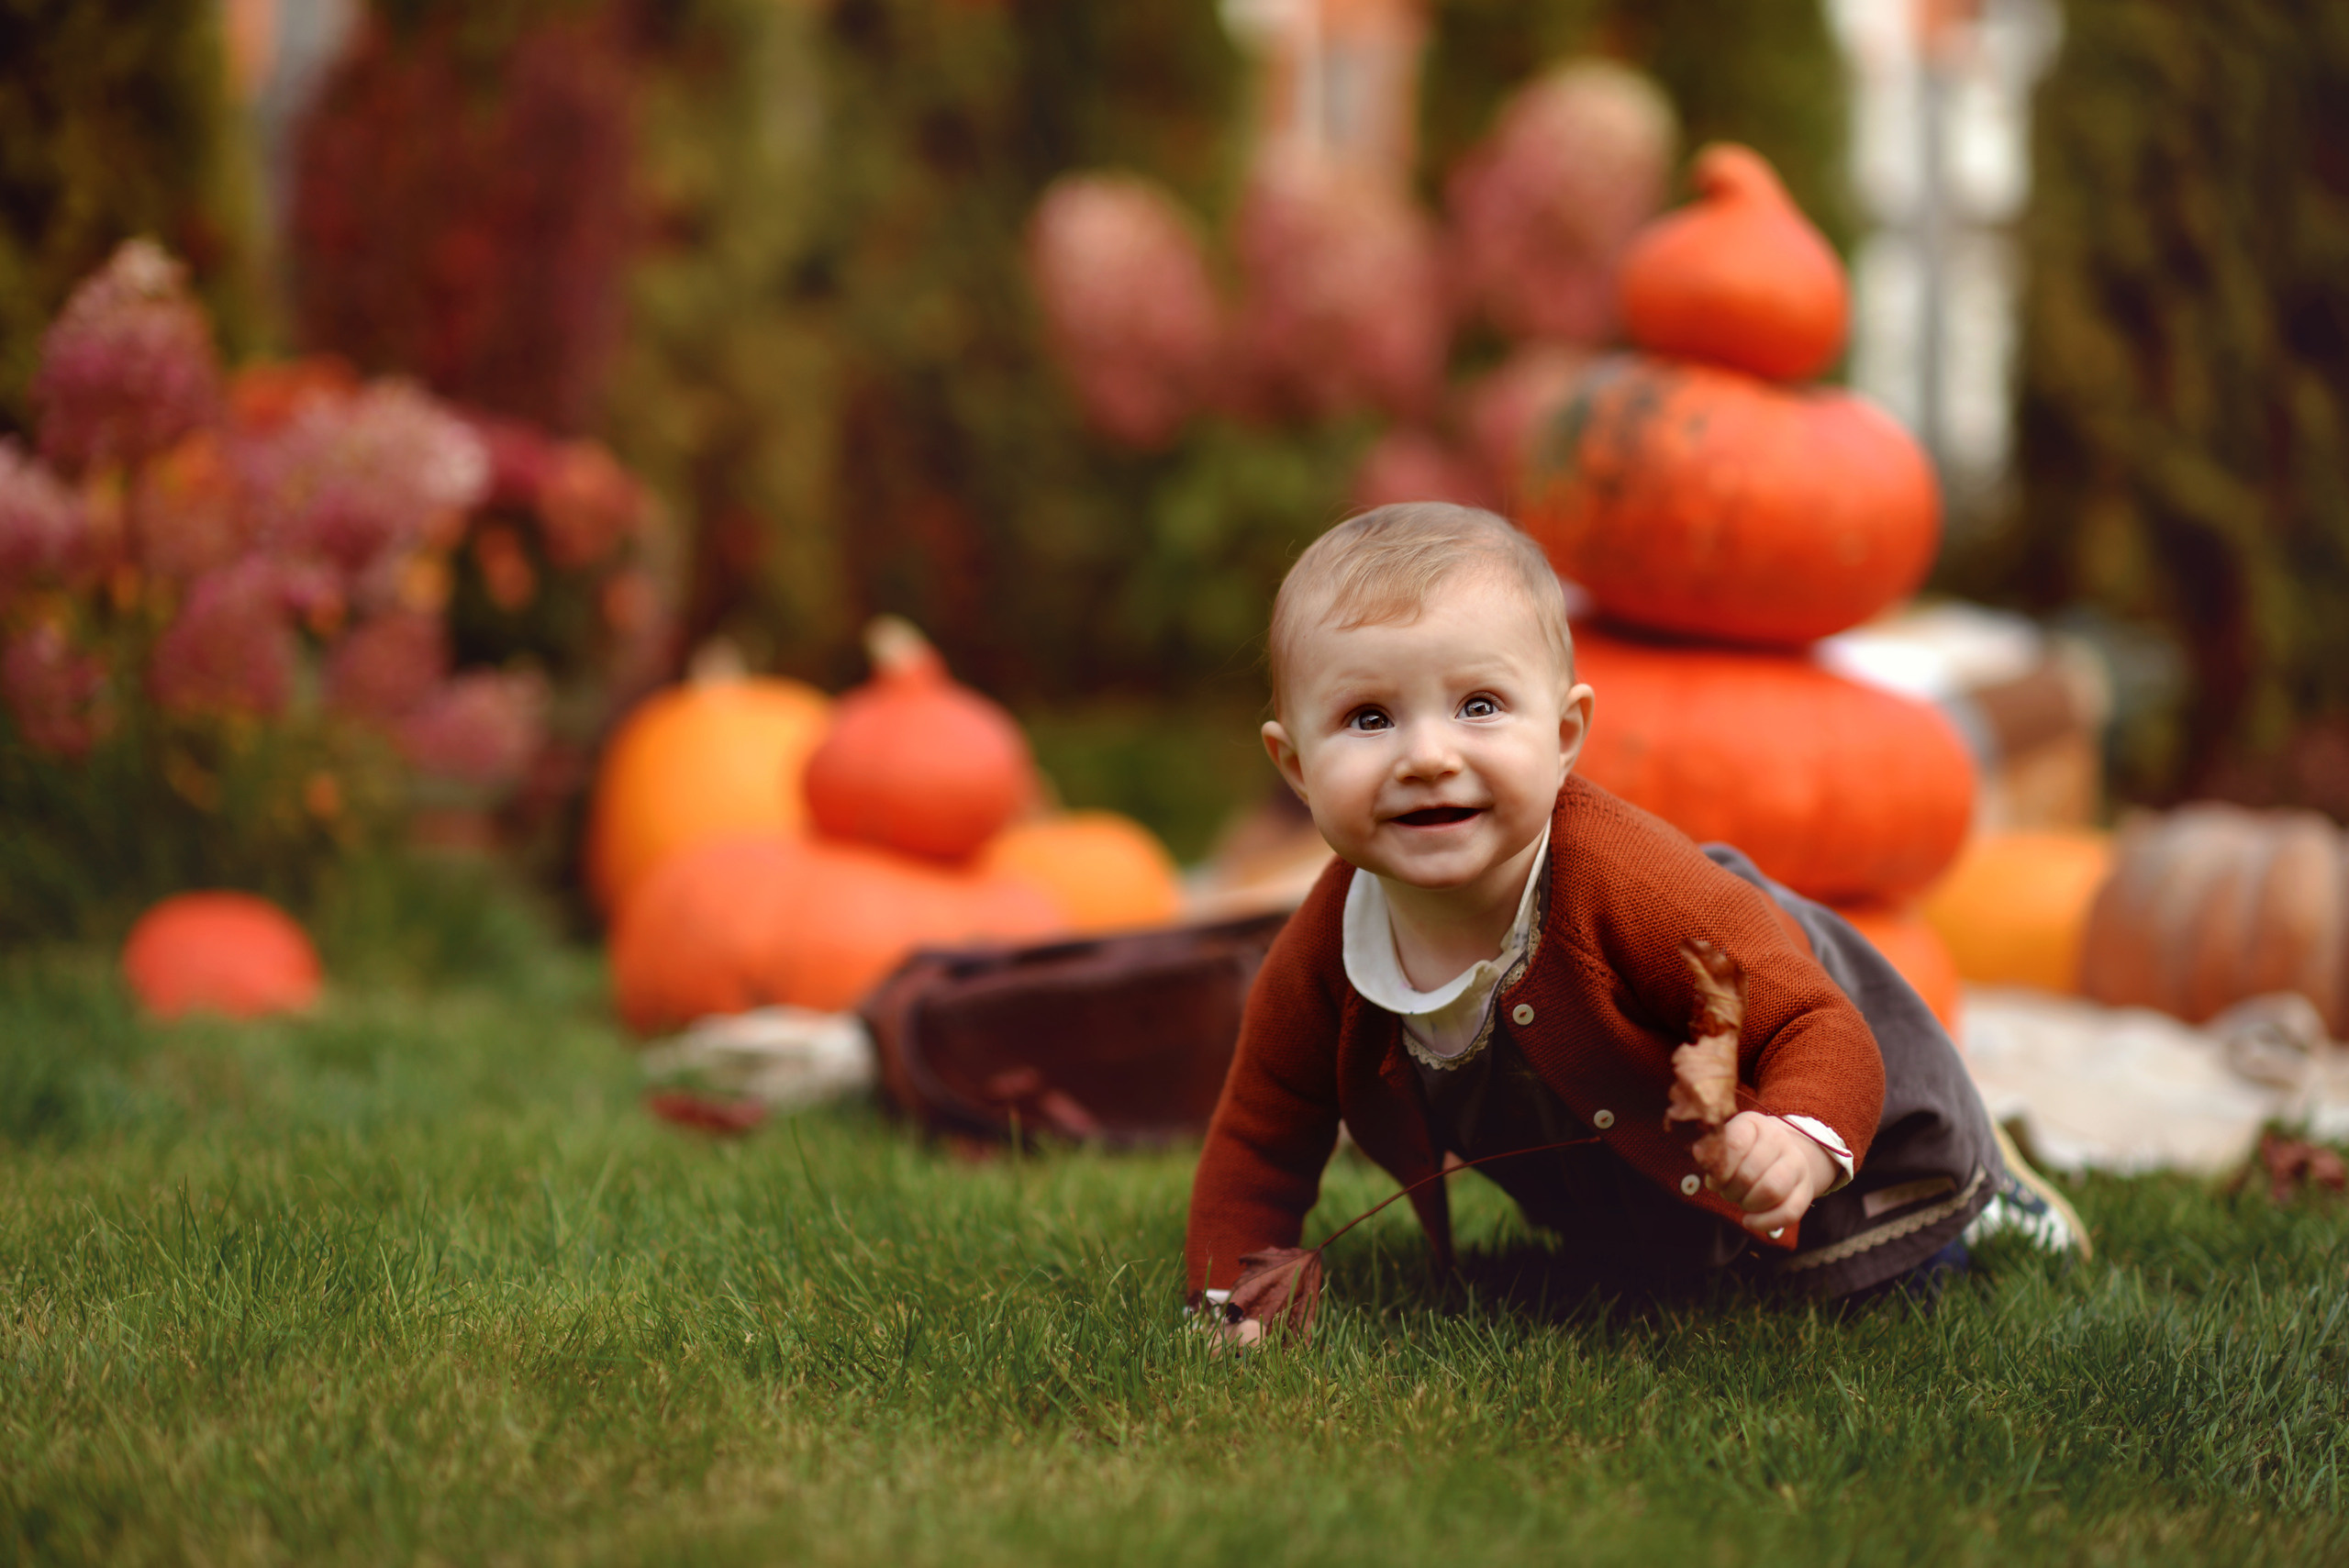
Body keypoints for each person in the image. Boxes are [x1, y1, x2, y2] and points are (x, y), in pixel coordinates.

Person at [1186, 503, 2077, 1337]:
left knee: (1858, 1282)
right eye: (1368, 717)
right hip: (1647, 1184)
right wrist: (1230, 1301)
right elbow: (1263, 1128)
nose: (1427, 755)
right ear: (1295, 767)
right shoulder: (1326, 949)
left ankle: (1984, 1185)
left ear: (1564, 735)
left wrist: (1797, 1140)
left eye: (1479, 706)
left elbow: (1814, 1022)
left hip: (1829, 1110)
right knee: (1660, 1280)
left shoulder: (1631, 884)